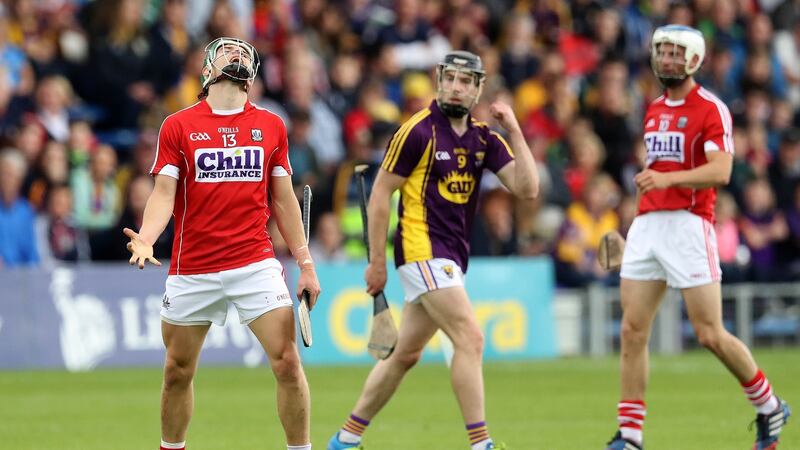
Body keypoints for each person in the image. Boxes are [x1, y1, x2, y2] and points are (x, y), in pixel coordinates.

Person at [327, 50, 539, 450]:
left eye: (466, 81)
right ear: (439, 80)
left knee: (404, 355)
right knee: (470, 338)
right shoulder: (417, 131)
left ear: (478, 88)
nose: (456, 87)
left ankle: (345, 439)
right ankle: (481, 443)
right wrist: (377, 263)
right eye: (450, 78)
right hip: (421, 250)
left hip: (450, 258)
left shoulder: (483, 138)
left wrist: (515, 130)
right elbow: (379, 196)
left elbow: (527, 189)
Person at [123, 37, 321, 450]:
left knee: (287, 362)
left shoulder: (271, 126)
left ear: (254, 74)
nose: (238, 54)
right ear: (207, 69)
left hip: (254, 263)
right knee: (177, 371)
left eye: (245, 52)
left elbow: (283, 199)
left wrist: (305, 263)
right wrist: (146, 237)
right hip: (192, 267)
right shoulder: (177, 125)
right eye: (228, 50)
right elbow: (162, 193)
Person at [604, 25, 791, 450]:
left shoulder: (711, 109)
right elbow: (652, 177)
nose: (666, 59)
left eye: (675, 53)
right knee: (633, 330)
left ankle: (768, 404)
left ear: (693, 60)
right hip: (649, 226)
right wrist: (637, 225)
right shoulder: (652, 109)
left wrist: (669, 180)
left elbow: (721, 172)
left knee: (709, 333)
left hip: (689, 225)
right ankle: (630, 436)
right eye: (662, 51)